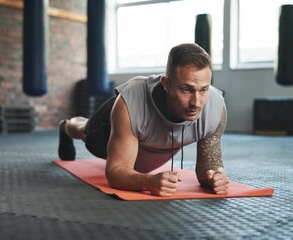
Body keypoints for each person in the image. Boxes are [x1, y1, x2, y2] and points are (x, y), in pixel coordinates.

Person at [58, 43, 229, 197]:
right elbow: (116, 172)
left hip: (152, 146)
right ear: (166, 84)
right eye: (186, 90)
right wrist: (149, 182)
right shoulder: (131, 103)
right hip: (111, 127)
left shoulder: (215, 108)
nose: (196, 103)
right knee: (84, 130)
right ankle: (66, 126)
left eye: (204, 89)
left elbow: (208, 167)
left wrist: (214, 178)